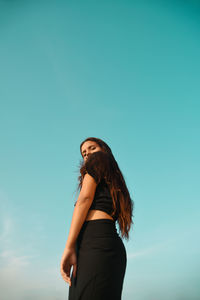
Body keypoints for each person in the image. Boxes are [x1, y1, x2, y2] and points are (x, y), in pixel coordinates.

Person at [60, 137, 134, 300]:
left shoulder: (98, 160)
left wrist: (69, 246)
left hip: (96, 243)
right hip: (103, 244)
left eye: (92, 148)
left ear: (104, 150)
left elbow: (84, 200)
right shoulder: (114, 180)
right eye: (84, 153)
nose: (87, 155)